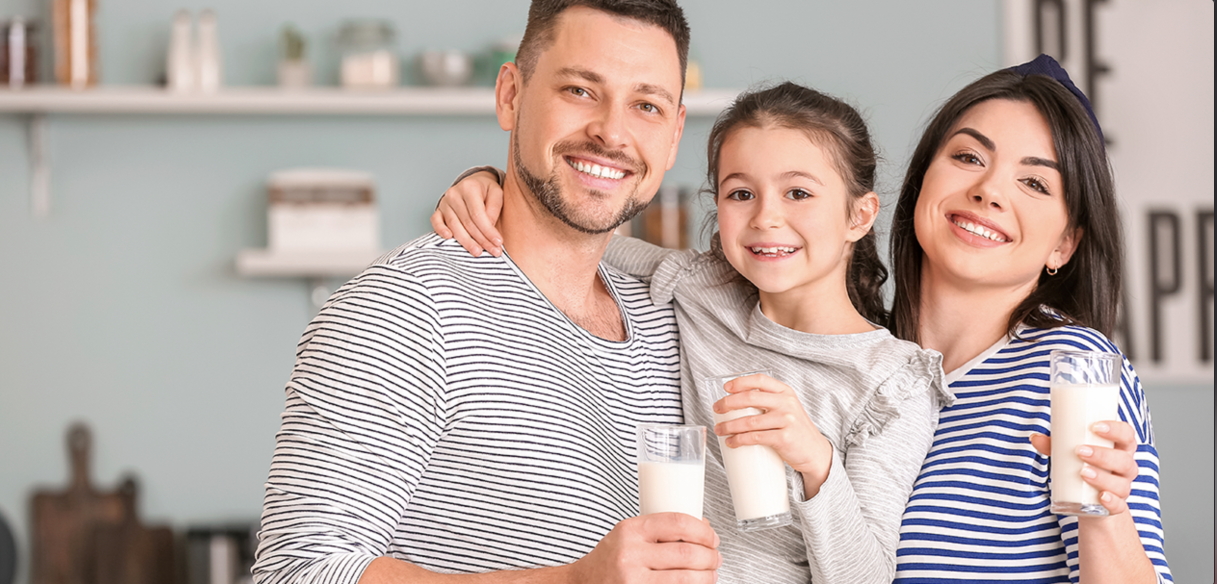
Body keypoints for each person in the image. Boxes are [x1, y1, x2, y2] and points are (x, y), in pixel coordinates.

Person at [251, 1, 725, 583]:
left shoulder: (676, 320)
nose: (612, 131)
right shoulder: (404, 308)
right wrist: (572, 582)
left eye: (645, 105)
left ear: (674, 134)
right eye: (579, 90)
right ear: (510, 95)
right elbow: (298, 572)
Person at [433, 81, 950, 583]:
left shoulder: (892, 383)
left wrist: (817, 461)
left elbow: (866, 577)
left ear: (858, 215)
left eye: (797, 192)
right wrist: (492, 187)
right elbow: (577, 235)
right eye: (741, 193)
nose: (766, 218)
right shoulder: (703, 289)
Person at [885, 55, 1171, 583]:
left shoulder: (1073, 369)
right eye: (968, 156)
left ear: (1064, 244)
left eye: (1035, 184)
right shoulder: (853, 351)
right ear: (922, 178)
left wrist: (1105, 513)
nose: (989, 190)